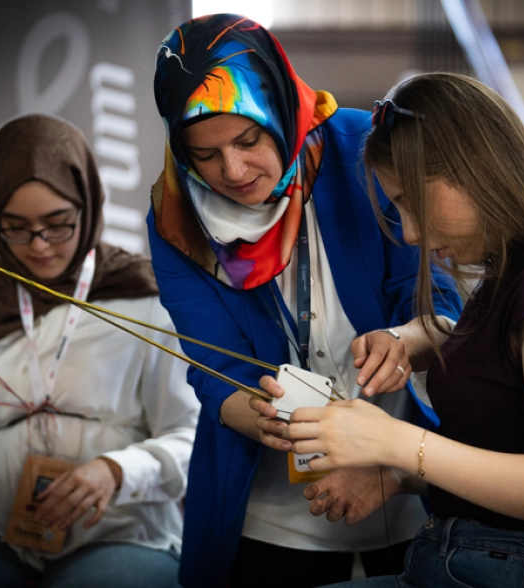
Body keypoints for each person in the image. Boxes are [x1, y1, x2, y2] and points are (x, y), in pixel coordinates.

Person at [280, 72, 524, 587]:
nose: (410, 232)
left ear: (471, 170)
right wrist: (396, 476)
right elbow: (506, 449)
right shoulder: (508, 287)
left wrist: (395, 441)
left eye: (412, 202)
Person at [147, 13, 463, 588]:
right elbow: (215, 370)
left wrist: (402, 341)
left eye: (248, 139)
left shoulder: (367, 150)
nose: (234, 171)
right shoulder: (177, 218)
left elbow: (443, 310)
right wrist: (295, 425)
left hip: (407, 488)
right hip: (269, 518)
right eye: (206, 154)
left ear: (282, 110)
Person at [0, 114, 199, 588]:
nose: (38, 246)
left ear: (87, 206)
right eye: (16, 228)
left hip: (121, 532)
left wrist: (116, 470)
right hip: (1, 537)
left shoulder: (146, 297)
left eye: (57, 225)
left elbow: (191, 436)